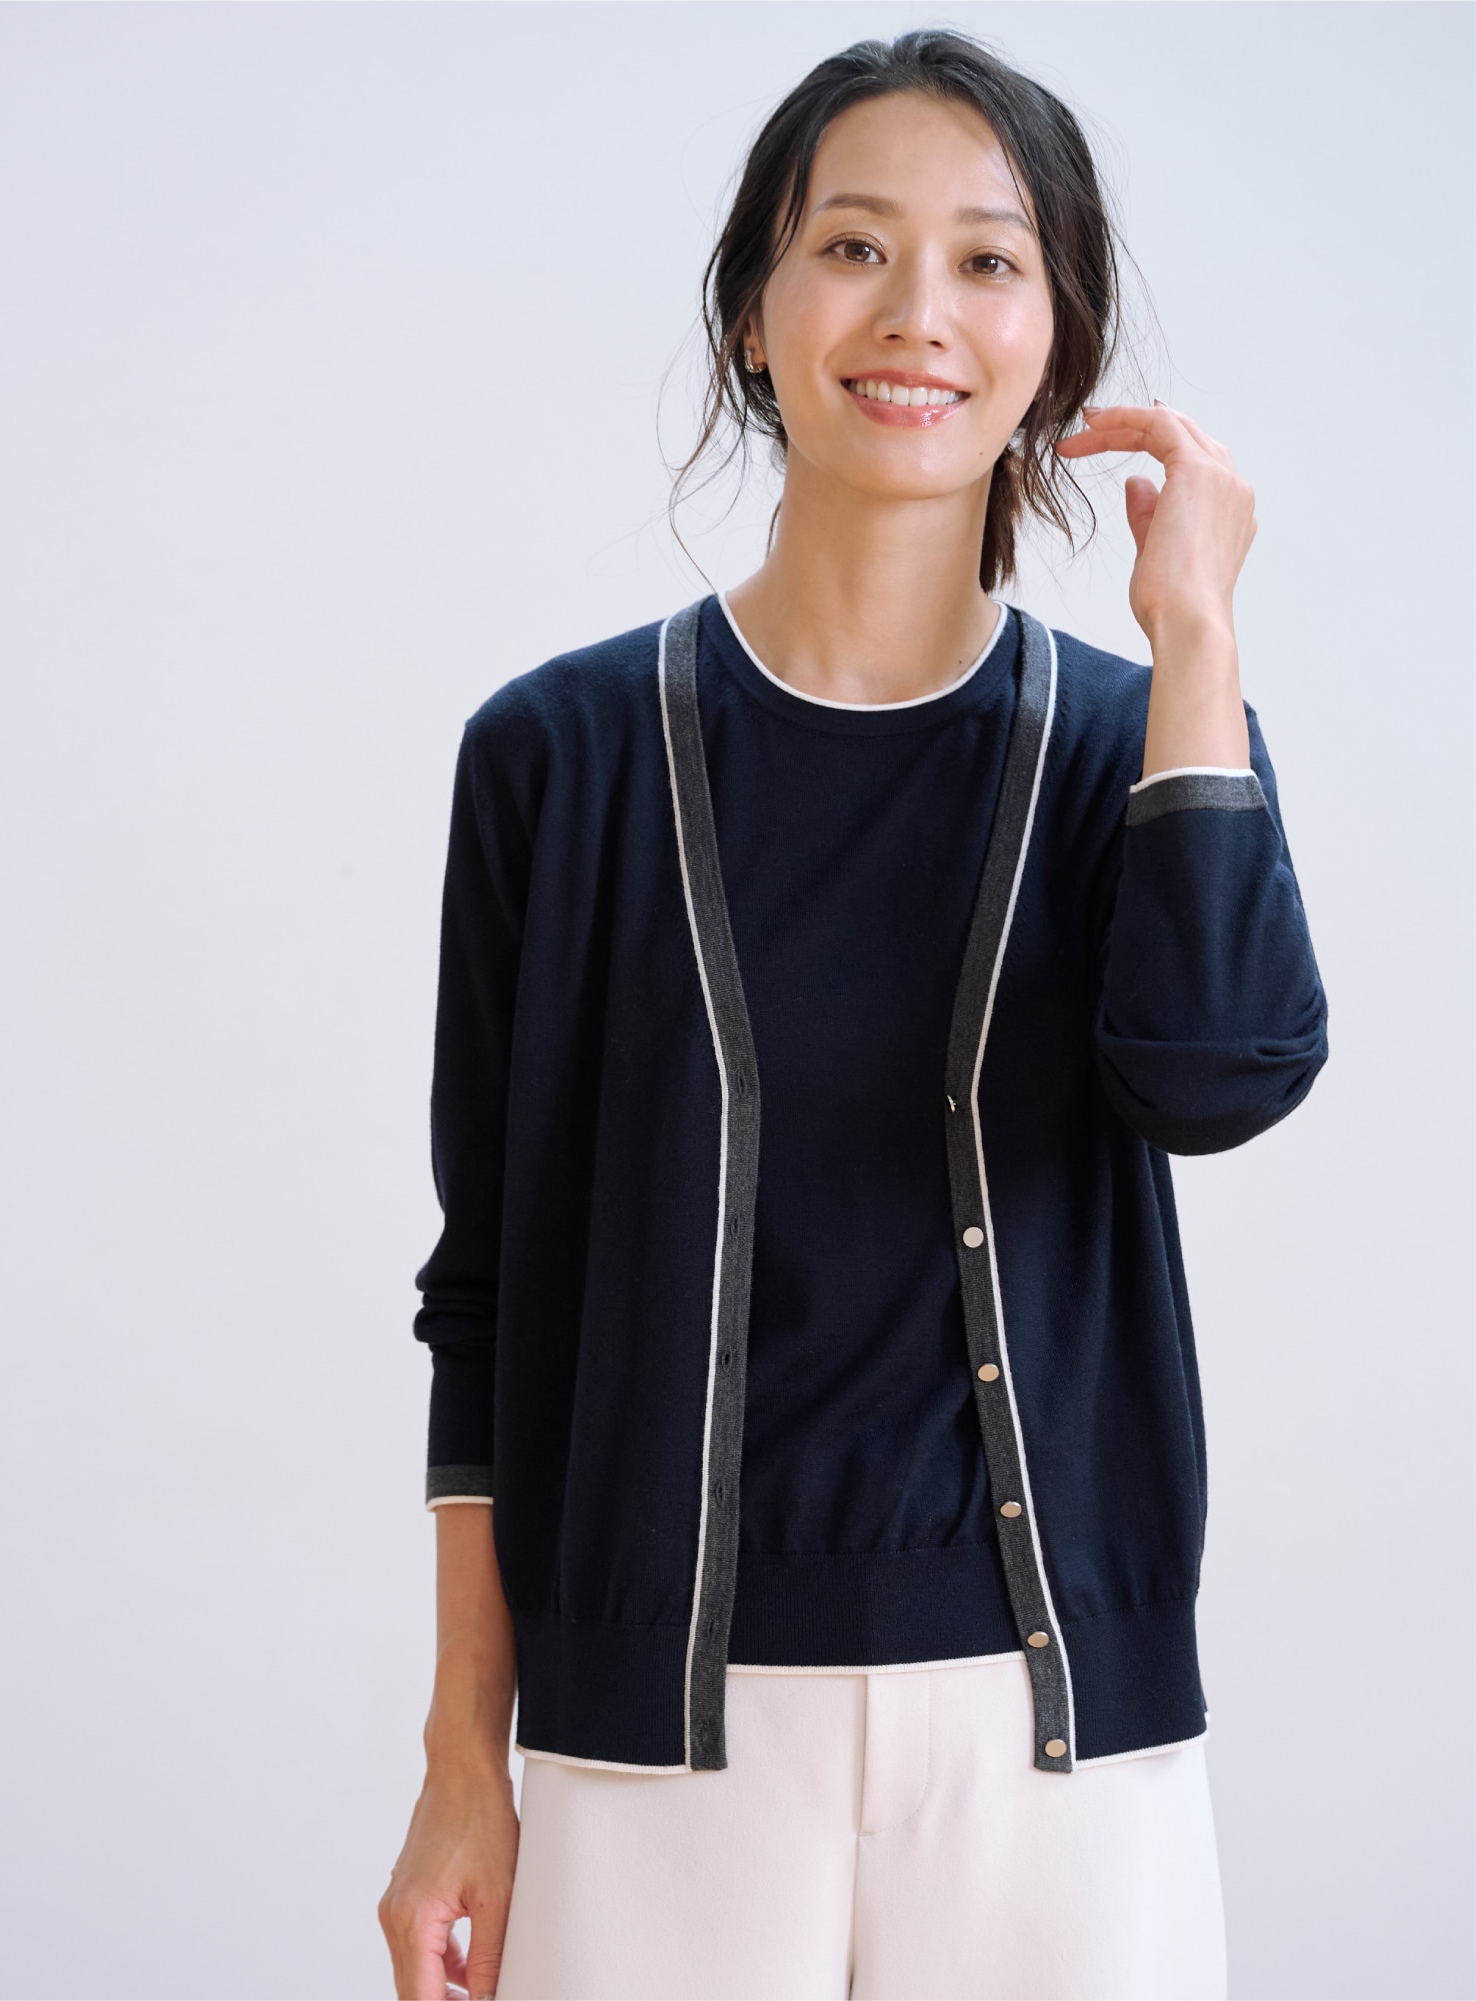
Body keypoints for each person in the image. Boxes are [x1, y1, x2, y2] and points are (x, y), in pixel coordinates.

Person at [379, 30, 1327, 2001]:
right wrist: (464, 1757)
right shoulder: (555, 759)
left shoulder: (1137, 741)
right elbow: (489, 1288)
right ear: (753, 310)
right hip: (658, 1746)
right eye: (851, 246)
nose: (915, 314)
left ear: (1055, 349)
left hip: (1056, 1746)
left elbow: (1217, 1074)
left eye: (986, 260)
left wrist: (1198, 641)